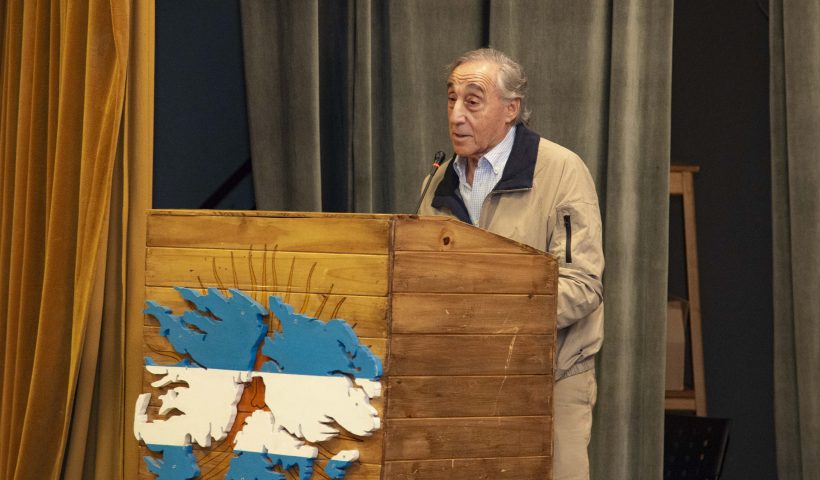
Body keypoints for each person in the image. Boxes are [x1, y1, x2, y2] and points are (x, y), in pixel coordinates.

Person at [418, 48, 604, 480]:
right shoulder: (438, 182)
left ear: (510, 109)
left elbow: (582, 285)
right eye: (451, 99)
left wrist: (490, 313)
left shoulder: (562, 170)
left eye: (473, 101)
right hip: (465, 382)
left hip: (549, 380)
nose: (456, 115)